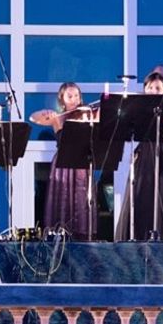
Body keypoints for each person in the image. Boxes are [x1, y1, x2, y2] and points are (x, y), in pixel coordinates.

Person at [115, 67, 163, 241]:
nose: (153, 91)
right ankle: (137, 238)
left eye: (157, 88)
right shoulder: (138, 108)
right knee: (142, 195)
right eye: (150, 87)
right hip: (144, 155)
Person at [30, 82, 95, 240]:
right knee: (62, 204)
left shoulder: (87, 115)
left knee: (82, 203)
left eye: (76, 96)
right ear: (62, 100)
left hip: (81, 164)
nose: (74, 100)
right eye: (70, 96)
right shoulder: (58, 119)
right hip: (63, 164)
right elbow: (33, 118)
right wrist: (48, 113)